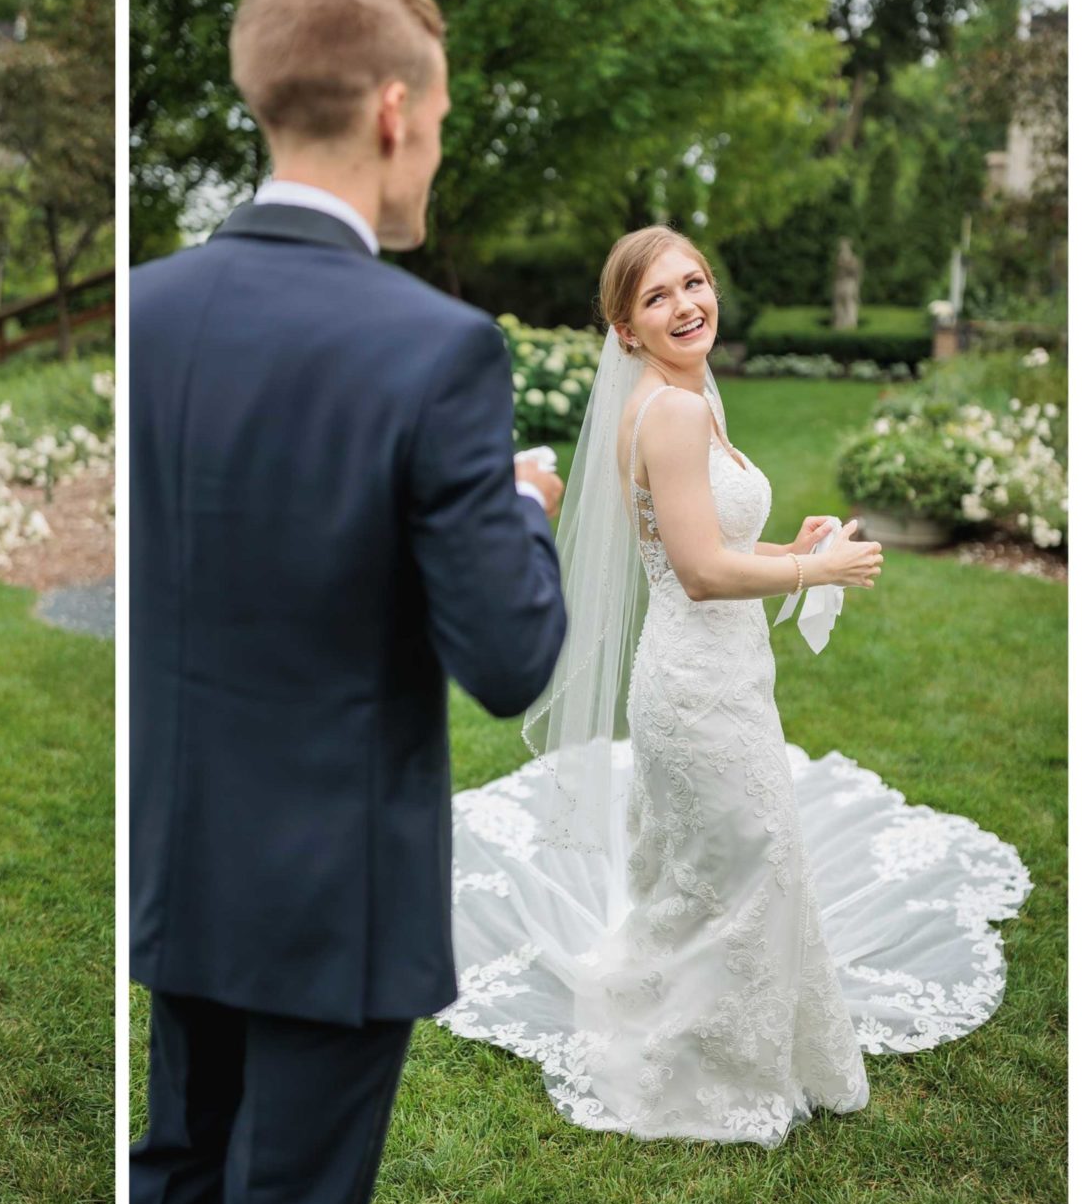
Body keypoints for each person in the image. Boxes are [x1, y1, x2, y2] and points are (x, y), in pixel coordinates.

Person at [129, 0, 568, 1204]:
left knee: (179, 1185)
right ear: (390, 111)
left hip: (181, 856)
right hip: (338, 897)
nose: (429, 156)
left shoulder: (146, 312)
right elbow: (509, 657)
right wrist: (527, 515)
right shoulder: (436, 349)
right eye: (433, 128)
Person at [441, 225, 1033, 1145]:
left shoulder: (682, 394)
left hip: (716, 671)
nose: (687, 305)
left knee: (731, 863)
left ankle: (734, 1029)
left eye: (696, 282)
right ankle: (713, 1060)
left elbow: (700, 550)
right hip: (695, 686)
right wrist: (817, 574)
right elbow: (702, 574)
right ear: (626, 327)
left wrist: (785, 549)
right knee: (748, 861)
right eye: (658, 297)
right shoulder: (671, 411)